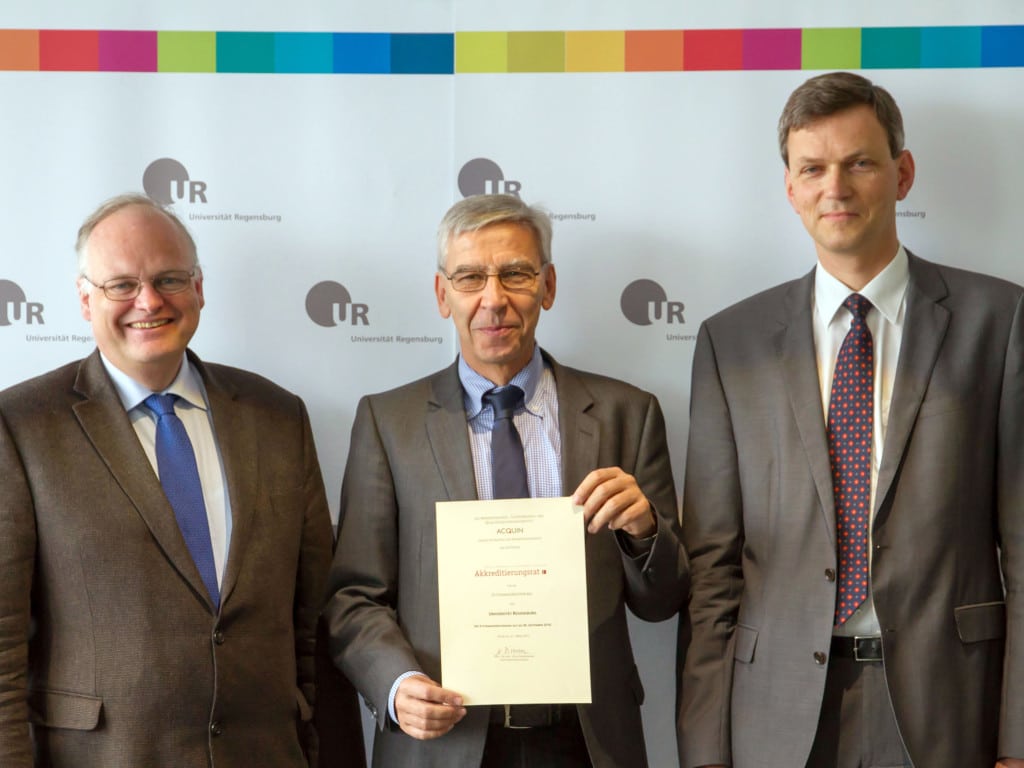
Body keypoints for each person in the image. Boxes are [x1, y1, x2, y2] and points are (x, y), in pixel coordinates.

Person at [678, 71, 1024, 768]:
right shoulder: (730, 341)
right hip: (774, 713)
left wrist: (1019, 742)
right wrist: (706, 749)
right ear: (790, 188)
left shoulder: (1000, 321)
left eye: (859, 162)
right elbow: (713, 570)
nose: (835, 187)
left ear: (902, 173)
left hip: (948, 707)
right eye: (813, 168)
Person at [323, 193, 688, 768]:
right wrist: (395, 686)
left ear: (547, 286)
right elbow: (353, 596)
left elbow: (663, 602)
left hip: (585, 743)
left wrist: (643, 531)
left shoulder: (627, 414)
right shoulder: (387, 423)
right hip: (442, 742)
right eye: (470, 277)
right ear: (443, 295)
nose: (493, 300)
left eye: (515, 274)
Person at [0, 194, 342, 767]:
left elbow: (312, 624)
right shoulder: (22, 426)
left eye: (169, 279)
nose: (149, 301)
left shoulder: (279, 416)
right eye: (121, 285)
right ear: (85, 299)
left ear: (200, 288)